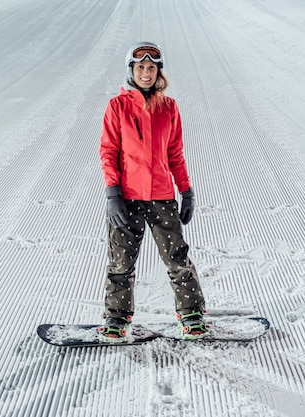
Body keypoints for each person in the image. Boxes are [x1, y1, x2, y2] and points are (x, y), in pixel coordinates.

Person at [98, 41, 208, 342]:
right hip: (127, 197)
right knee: (121, 261)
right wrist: (113, 194)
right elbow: (108, 152)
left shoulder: (169, 108)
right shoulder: (117, 107)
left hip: (161, 195)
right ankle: (116, 318)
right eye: (140, 67)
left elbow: (175, 153)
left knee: (177, 258)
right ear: (131, 70)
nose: (145, 72)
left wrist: (186, 191)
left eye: (151, 67)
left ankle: (191, 314)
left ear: (158, 71)